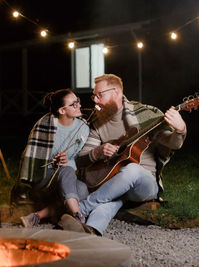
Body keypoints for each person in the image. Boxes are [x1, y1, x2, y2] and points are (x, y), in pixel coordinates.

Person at [58, 74, 187, 235]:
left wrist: (180, 130)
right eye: (94, 96)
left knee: (132, 169)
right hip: (113, 185)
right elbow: (82, 159)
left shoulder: (144, 115)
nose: (95, 100)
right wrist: (98, 151)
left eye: (100, 95)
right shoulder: (97, 124)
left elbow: (172, 143)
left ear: (116, 93)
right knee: (109, 201)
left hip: (143, 185)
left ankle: (80, 209)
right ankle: (91, 231)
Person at [14, 88, 90, 227]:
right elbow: (33, 161)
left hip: (66, 177)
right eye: (74, 104)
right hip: (42, 177)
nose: (79, 105)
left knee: (82, 189)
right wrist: (53, 163)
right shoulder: (44, 125)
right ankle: (78, 217)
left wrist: (68, 161)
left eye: (78, 101)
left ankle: (37, 216)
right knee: (66, 171)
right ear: (62, 111)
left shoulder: (83, 128)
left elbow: (76, 159)